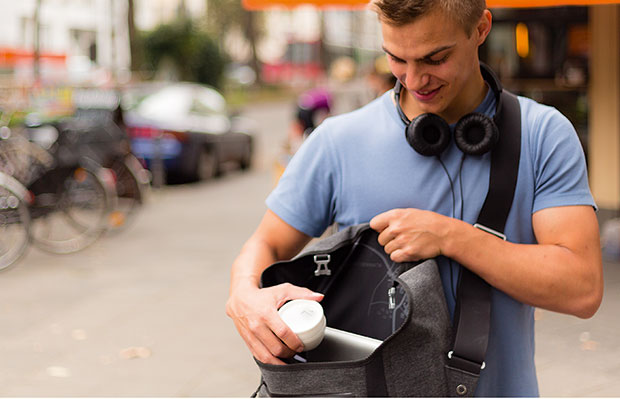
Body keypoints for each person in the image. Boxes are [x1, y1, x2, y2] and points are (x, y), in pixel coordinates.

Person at [225, 0, 603, 396]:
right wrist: (245, 295)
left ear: (480, 28)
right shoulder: (338, 142)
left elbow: (582, 288)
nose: (414, 78)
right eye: (396, 58)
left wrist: (451, 237)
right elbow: (265, 243)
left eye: (434, 58)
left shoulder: (543, 135)